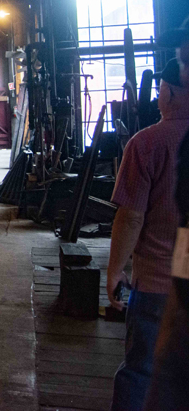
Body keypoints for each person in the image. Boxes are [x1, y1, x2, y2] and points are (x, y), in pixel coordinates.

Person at [108, 57, 188, 411]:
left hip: (156, 285)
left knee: (141, 372)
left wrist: (114, 271)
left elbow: (131, 218)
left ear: (167, 92)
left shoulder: (147, 144)